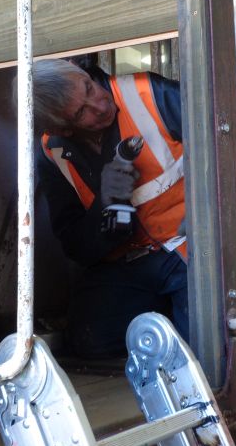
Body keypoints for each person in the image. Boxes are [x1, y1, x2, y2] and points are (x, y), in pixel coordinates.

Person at [29, 58, 188, 357]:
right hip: (126, 265)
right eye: (81, 112)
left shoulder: (148, 93)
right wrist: (103, 202)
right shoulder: (52, 152)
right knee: (89, 341)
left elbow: (224, 140)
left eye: (89, 87)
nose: (99, 106)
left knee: (205, 342)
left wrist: (205, 216)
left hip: (185, 249)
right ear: (62, 128)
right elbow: (76, 246)